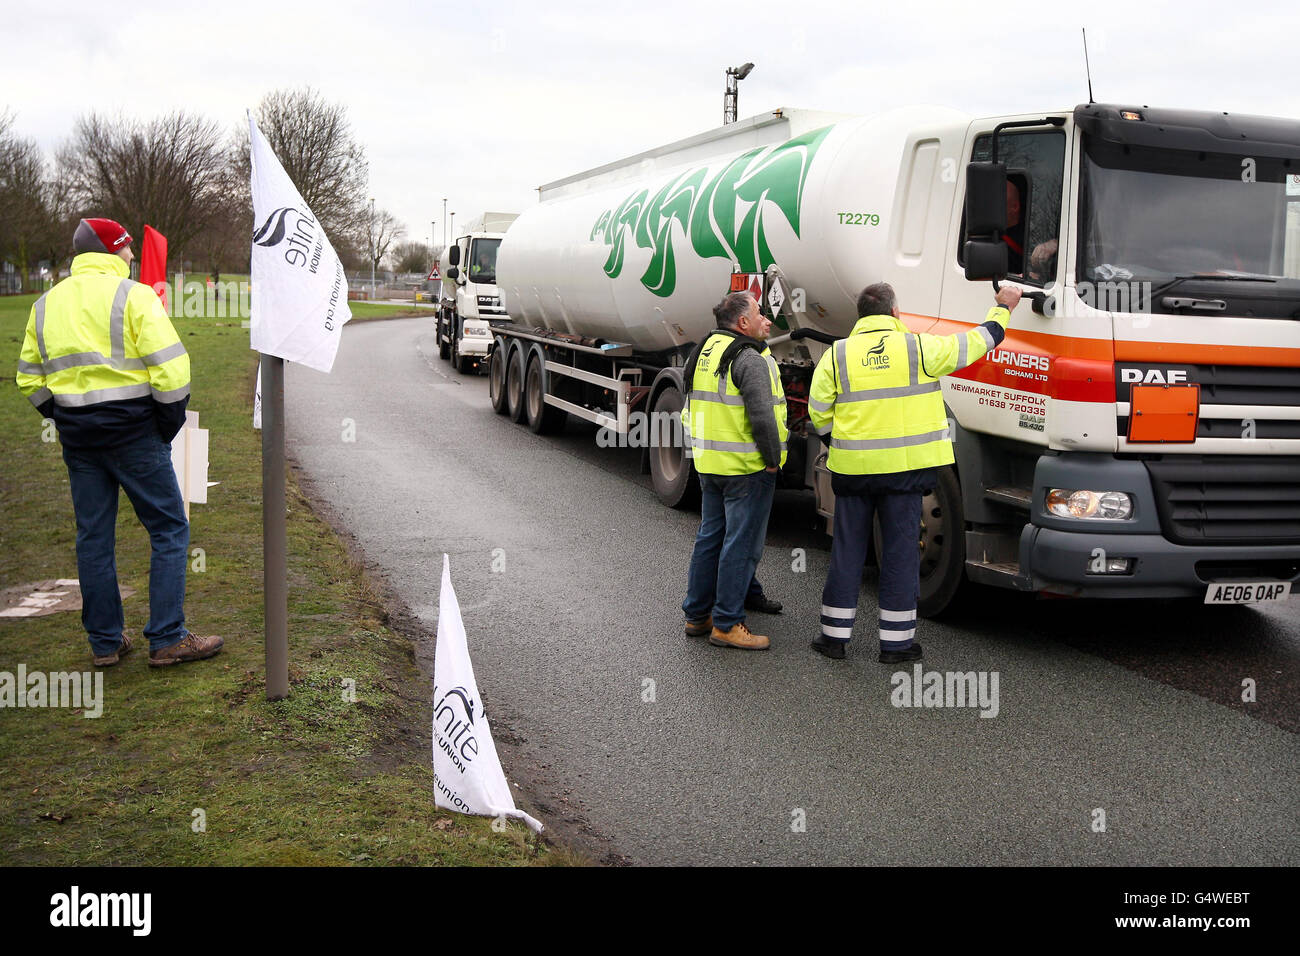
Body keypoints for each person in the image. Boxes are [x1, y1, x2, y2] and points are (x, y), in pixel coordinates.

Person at [15, 218, 223, 668]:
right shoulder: (135, 296)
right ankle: (167, 637)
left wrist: (63, 416)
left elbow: (28, 378)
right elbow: (173, 371)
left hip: (79, 440)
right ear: (113, 251)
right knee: (169, 528)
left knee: (93, 538)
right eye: (127, 250)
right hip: (134, 435)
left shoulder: (45, 304)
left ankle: (105, 643)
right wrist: (164, 427)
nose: (132, 257)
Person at [808, 281, 1022, 662]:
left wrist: (840, 444)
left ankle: (833, 638)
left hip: (853, 473)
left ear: (861, 317)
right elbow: (979, 342)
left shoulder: (837, 355)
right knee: (901, 554)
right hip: (905, 476)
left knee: (847, 552)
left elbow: (818, 412)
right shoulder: (919, 347)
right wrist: (1003, 308)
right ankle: (896, 645)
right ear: (894, 314)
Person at [680, 291, 788, 650]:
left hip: (709, 464)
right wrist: (773, 460)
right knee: (739, 545)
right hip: (744, 468)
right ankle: (727, 623)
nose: (765, 319)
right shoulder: (748, 357)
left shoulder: (702, 351)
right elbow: (762, 416)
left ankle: (697, 615)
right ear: (743, 322)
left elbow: (690, 405)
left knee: (710, 538)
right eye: (759, 313)